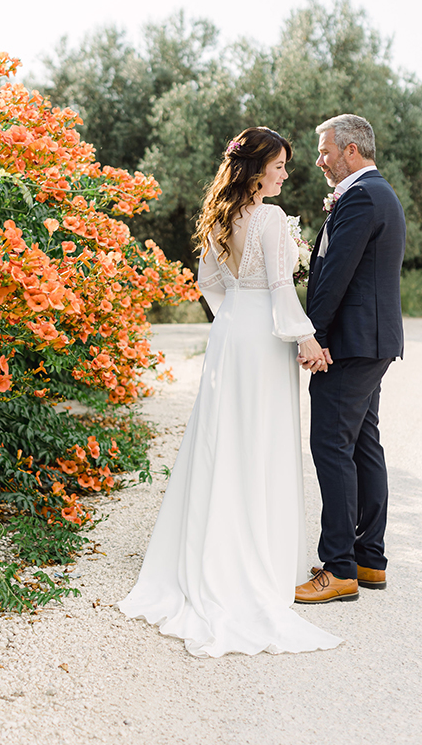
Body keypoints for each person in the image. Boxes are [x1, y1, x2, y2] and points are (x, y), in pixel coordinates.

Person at [119, 127, 341, 656]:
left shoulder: (219, 216)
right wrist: (305, 337)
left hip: (231, 331)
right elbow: (282, 287)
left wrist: (235, 318)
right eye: (279, 166)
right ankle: (258, 557)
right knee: (261, 438)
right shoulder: (268, 217)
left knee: (223, 437)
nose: (285, 175)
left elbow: (210, 286)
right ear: (257, 169)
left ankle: (210, 547)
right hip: (263, 336)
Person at [295, 114, 406, 605]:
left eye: (325, 151)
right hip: (370, 340)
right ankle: (369, 559)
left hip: (351, 342)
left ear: (351, 150)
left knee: (331, 445)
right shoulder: (377, 193)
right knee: (362, 445)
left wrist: (313, 335)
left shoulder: (361, 196)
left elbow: (336, 273)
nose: (320, 160)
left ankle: (339, 568)